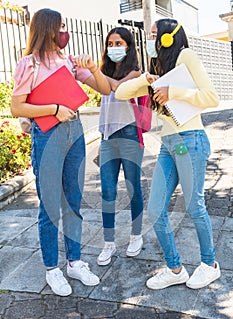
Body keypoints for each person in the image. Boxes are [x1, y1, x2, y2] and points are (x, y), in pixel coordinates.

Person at [10, 8, 111, 296]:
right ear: (48, 29)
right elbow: (17, 107)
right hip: (48, 135)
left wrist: (92, 68)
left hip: (75, 134)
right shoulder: (28, 64)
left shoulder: (69, 62)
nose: (65, 32)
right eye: (61, 26)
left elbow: (104, 89)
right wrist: (54, 109)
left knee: (74, 201)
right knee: (50, 205)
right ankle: (52, 269)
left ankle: (75, 262)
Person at [115, 18, 221, 289]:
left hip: (190, 140)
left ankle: (209, 265)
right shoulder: (156, 68)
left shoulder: (186, 55)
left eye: (153, 35)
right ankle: (175, 269)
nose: (149, 40)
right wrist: (145, 79)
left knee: (195, 206)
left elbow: (211, 97)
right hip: (168, 144)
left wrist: (173, 91)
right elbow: (120, 93)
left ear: (165, 38)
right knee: (155, 210)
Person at [88, 27, 144, 265]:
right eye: (110, 43)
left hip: (130, 135)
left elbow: (118, 90)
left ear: (129, 46)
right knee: (108, 193)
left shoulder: (136, 73)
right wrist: (102, 139)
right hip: (109, 138)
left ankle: (136, 236)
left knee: (133, 189)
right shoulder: (104, 71)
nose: (114, 47)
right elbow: (105, 109)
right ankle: (109, 243)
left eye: (119, 43)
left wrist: (93, 74)